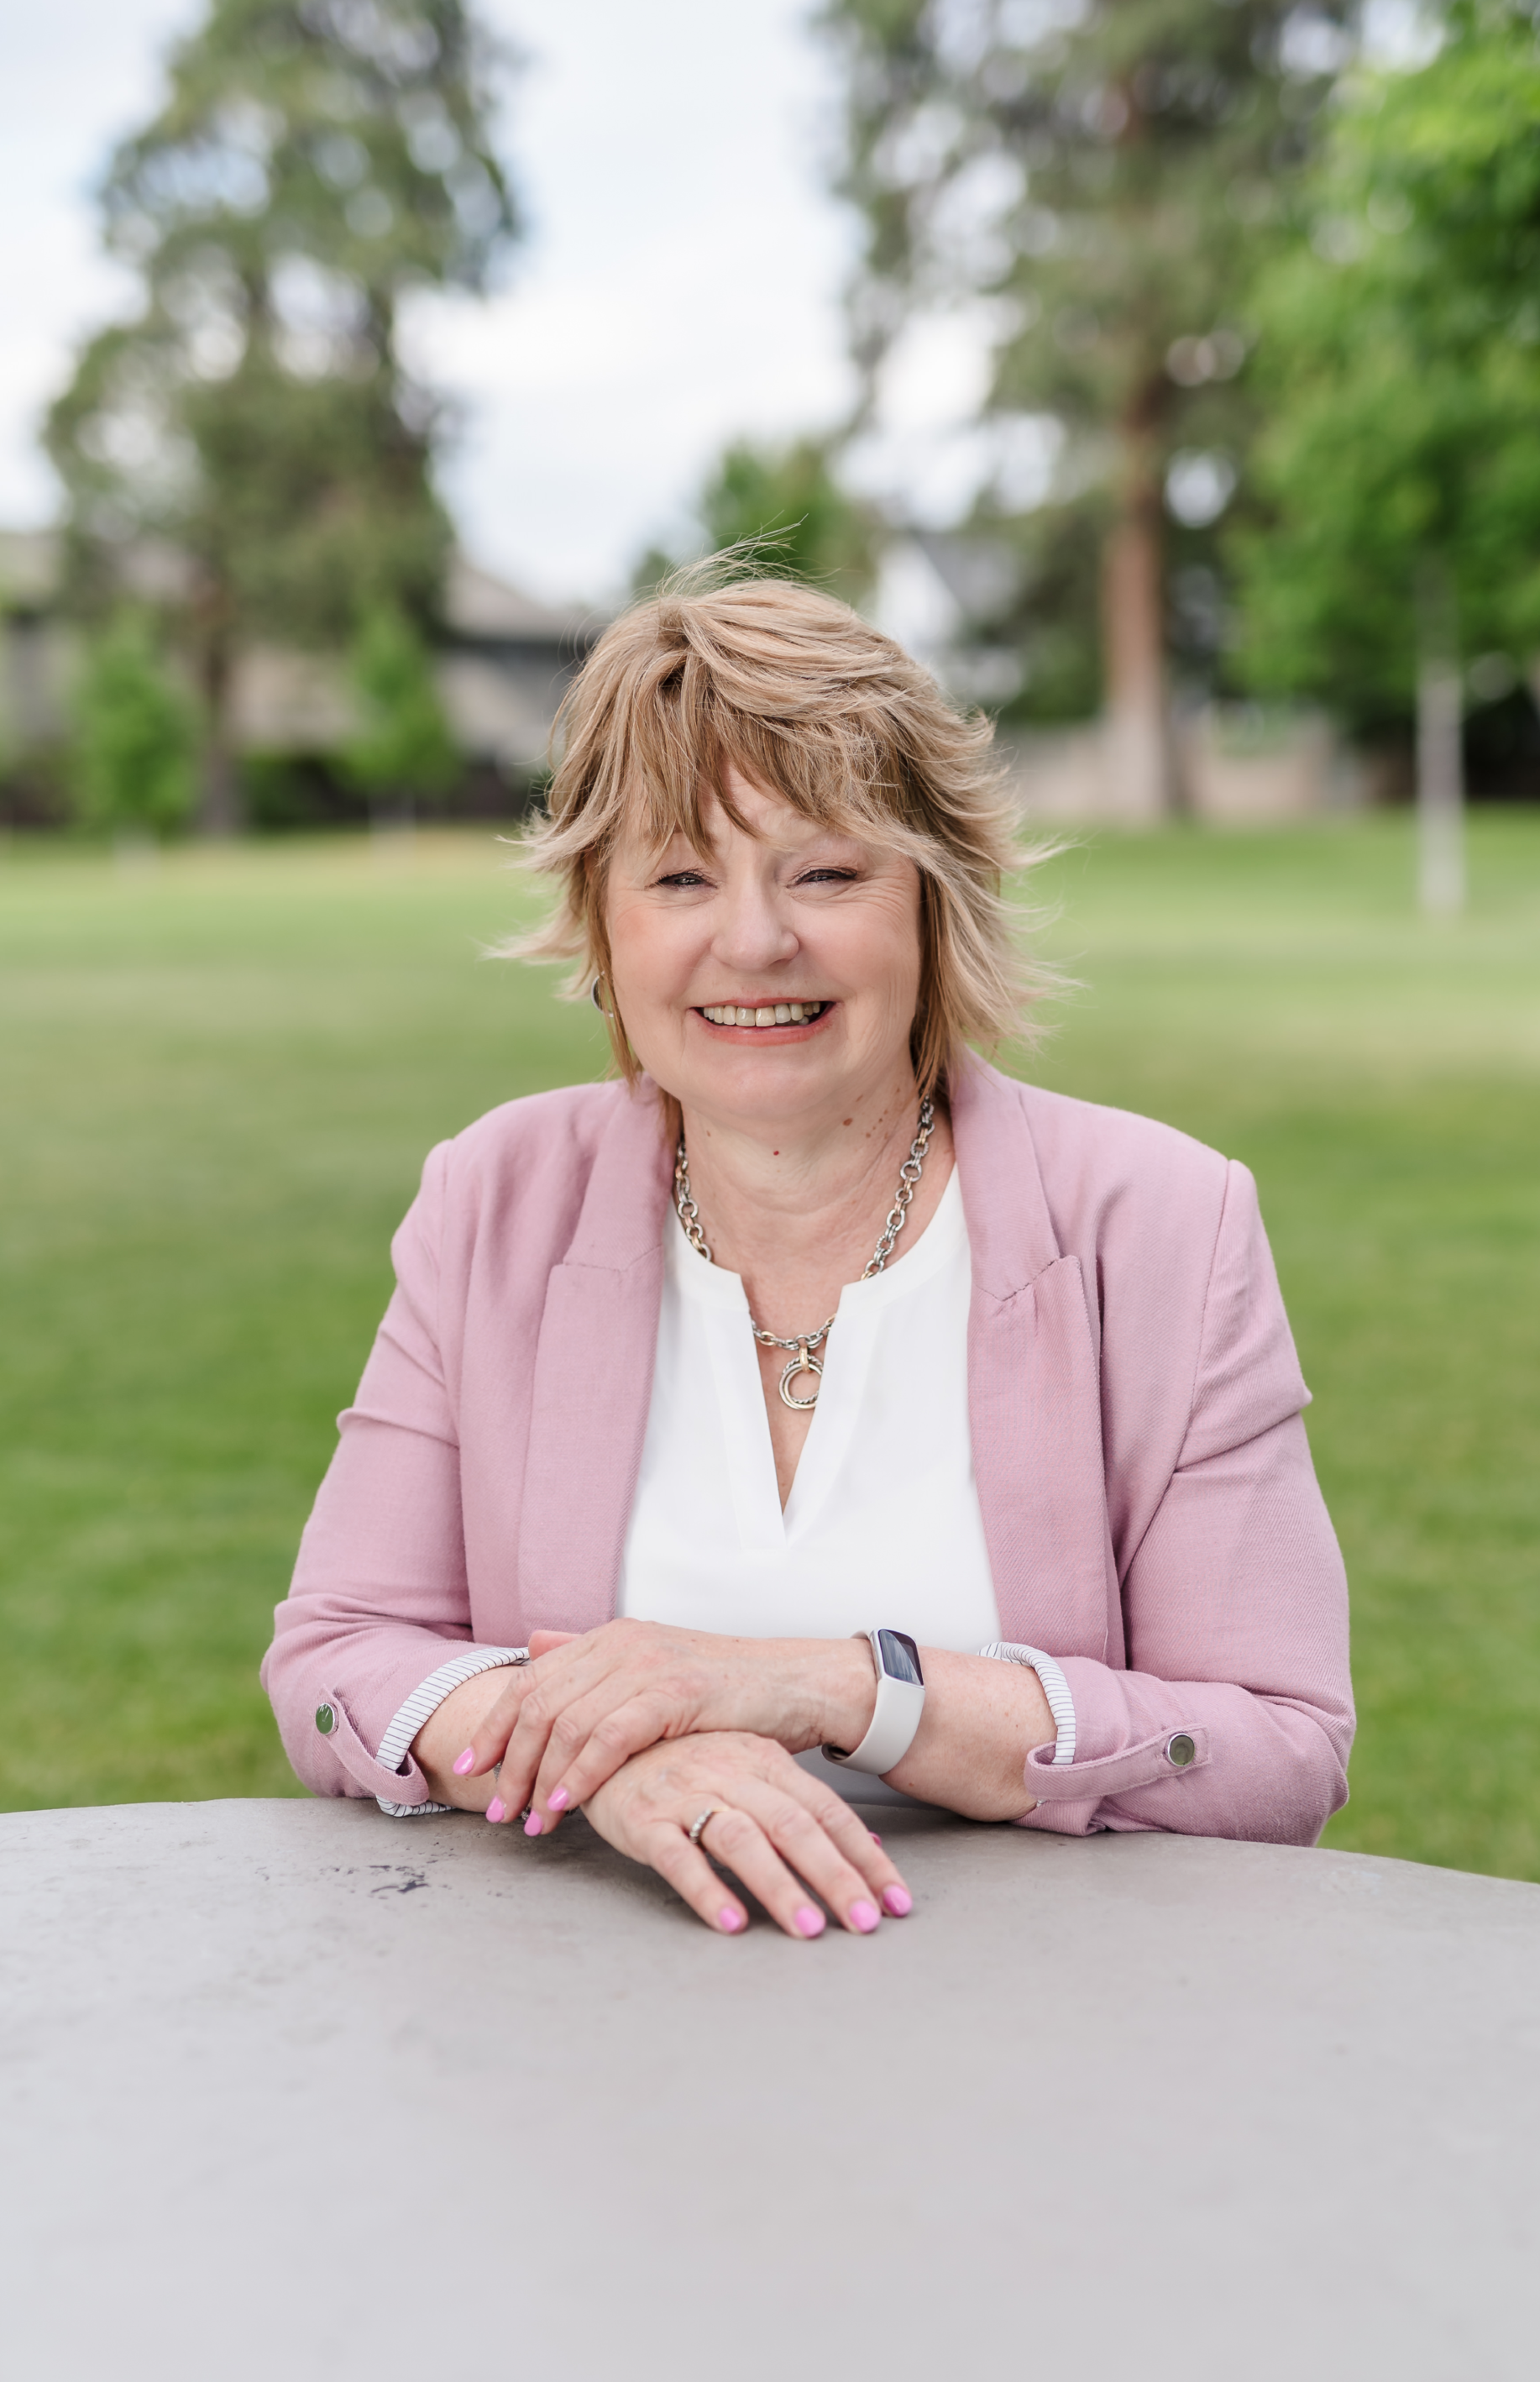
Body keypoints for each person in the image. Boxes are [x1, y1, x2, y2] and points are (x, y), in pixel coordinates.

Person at [263, 576, 1353, 1942]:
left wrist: (843, 1688)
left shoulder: (1164, 1223)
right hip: (587, 2028)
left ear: (936, 901)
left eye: (826, 871)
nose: (755, 940)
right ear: (603, 923)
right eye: (680, 877)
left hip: (1051, 2021)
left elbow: (1277, 1751)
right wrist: (616, 1755)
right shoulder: (493, 1199)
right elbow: (335, 1658)